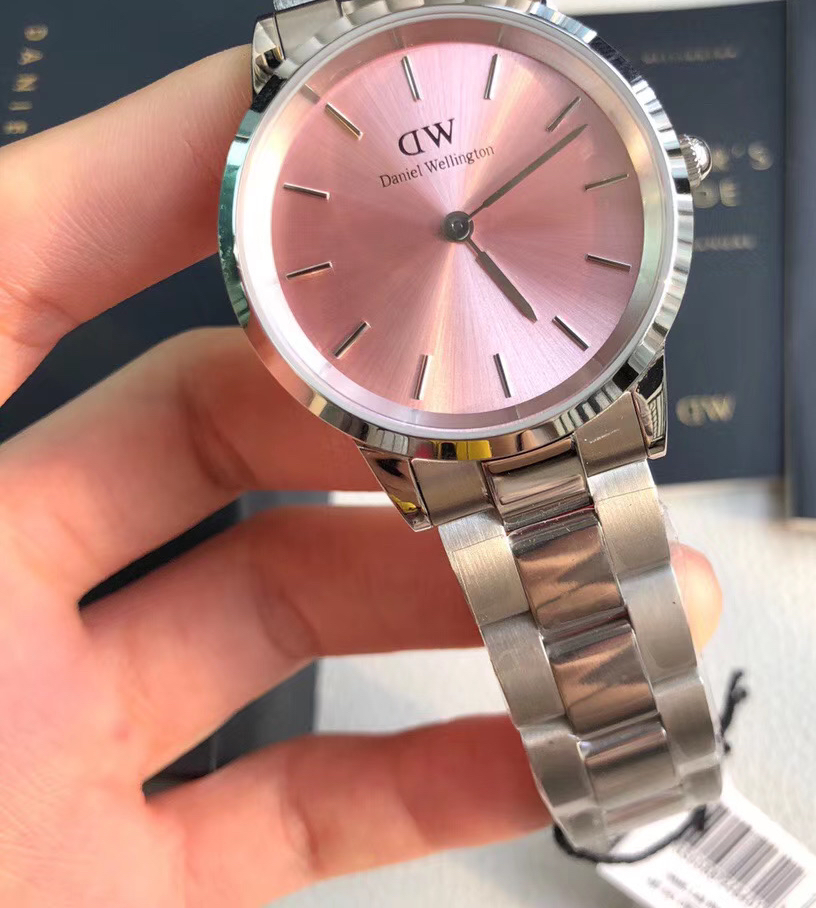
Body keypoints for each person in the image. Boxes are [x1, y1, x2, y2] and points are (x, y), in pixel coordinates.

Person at [0, 49, 723, 907]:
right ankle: (638, 790)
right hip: (430, 424)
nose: (456, 216)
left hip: (551, 391)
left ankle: (647, 784)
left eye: (467, 203)